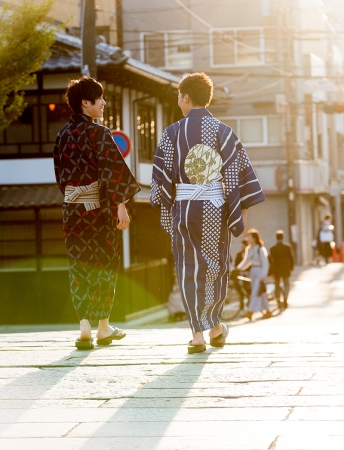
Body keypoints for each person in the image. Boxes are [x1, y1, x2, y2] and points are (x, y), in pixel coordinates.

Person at [150, 72, 265, 353]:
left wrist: (169, 206)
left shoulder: (172, 133)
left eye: (179, 96)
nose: (178, 101)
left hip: (184, 207)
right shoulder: (224, 132)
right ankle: (214, 326)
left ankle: (197, 335)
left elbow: (162, 179)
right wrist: (241, 212)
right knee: (215, 267)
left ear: (186, 97)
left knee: (187, 267)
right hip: (215, 209)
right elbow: (238, 176)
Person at [53, 76, 140, 350]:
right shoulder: (99, 133)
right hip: (99, 213)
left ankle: (83, 328)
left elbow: (60, 178)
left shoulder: (61, 135)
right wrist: (121, 205)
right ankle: (103, 327)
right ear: (85, 103)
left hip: (73, 211)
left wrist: (76, 198)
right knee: (103, 265)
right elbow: (113, 171)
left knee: (79, 267)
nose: (103, 103)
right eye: (99, 98)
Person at [237, 229, 271, 321]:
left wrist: (263, 275)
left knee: (255, 292)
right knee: (261, 293)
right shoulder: (249, 249)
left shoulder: (260, 249)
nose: (247, 239)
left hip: (260, 271)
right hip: (253, 271)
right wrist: (238, 268)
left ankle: (250, 311)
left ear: (255, 238)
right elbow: (246, 261)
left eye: (249, 237)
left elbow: (265, 263)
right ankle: (267, 310)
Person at [270, 230, 294, 310]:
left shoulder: (272, 248)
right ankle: (285, 297)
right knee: (286, 284)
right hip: (285, 268)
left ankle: (278, 300)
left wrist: (271, 271)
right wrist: (291, 267)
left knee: (277, 285)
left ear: (275, 238)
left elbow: (271, 261)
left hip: (276, 269)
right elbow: (291, 258)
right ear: (283, 237)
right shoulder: (287, 247)